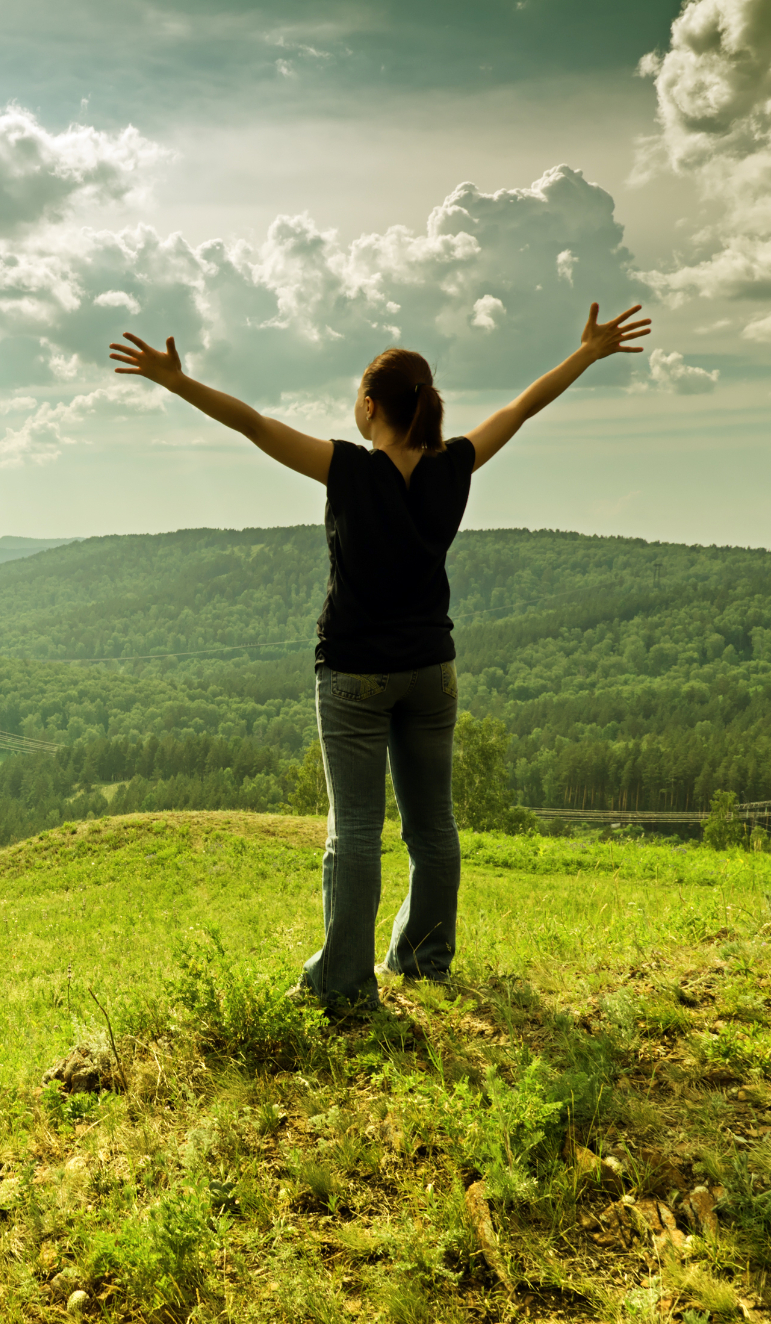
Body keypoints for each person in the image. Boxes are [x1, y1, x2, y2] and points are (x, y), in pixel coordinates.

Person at [109, 304, 651, 1013]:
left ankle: (344, 983)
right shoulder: (453, 465)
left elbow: (252, 424)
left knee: (355, 831)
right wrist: (585, 354)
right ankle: (425, 963)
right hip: (433, 670)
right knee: (434, 826)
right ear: (425, 406)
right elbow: (521, 408)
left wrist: (176, 383)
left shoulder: (347, 469)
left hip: (355, 674)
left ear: (370, 405)